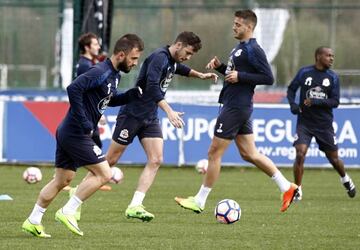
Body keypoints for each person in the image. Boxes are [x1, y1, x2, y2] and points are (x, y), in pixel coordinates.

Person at [175, 10, 298, 214]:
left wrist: (241, 76)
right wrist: (221, 67)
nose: (234, 27)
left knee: (214, 152)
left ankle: (200, 200)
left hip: (236, 107)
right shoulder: (240, 48)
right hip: (237, 105)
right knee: (250, 154)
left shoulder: (254, 49)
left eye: (238, 24)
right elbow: (234, 76)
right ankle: (287, 187)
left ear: (249, 27)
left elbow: (268, 78)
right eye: (234, 23)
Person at [22, 34, 144, 238]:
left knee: (62, 180)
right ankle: (68, 211)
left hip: (68, 131)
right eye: (133, 58)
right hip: (76, 133)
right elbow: (74, 88)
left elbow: (107, 100)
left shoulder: (114, 75)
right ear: (121, 54)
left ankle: (33, 220)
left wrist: (129, 96)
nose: (134, 63)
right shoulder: (100, 71)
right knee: (104, 173)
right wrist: (85, 122)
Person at [105, 31, 218, 222]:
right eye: (188, 53)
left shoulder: (172, 60)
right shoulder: (159, 57)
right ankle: (78, 193)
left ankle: (135, 205)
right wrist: (169, 110)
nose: (188, 57)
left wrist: (200, 75)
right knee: (110, 161)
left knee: (156, 159)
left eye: (191, 56)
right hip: (132, 114)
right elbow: (152, 86)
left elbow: (179, 68)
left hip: (149, 117)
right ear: (179, 45)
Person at [287, 46, 356, 201]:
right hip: (304, 122)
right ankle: (297, 189)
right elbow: (291, 89)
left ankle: (345, 178)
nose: (331, 58)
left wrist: (316, 101)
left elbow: (335, 101)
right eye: (328, 55)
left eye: (333, 56)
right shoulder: (304, 72)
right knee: (300, 153)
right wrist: (293, 105)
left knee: (334, 159)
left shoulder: (332, 77)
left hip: (324, 125)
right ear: (318, 56)